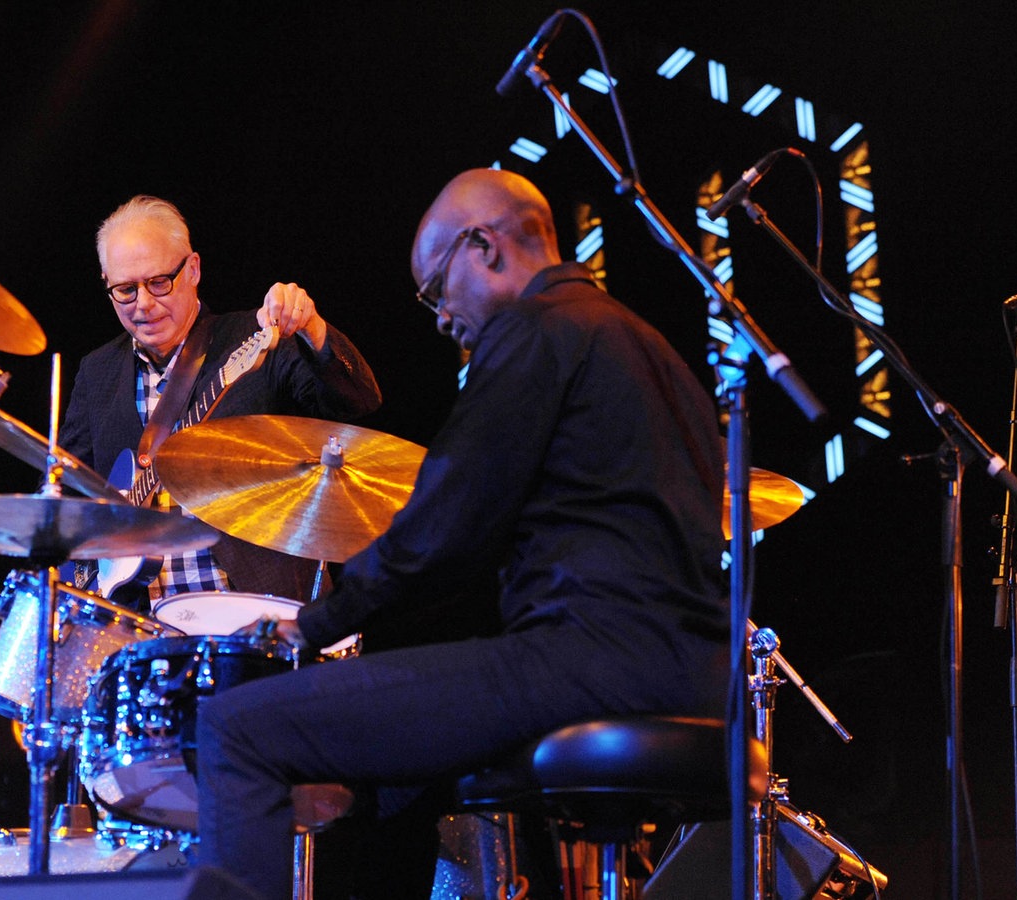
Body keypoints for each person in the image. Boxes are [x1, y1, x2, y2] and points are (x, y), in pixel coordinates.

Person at [193, 168, 730, 899]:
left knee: (236, 727)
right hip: (697, 678)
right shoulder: (650, 348)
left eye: (436, 289)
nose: (440, 316)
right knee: (397, 769)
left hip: (588, 664)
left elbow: (441, 529)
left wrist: (307, 630)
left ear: (484, 247)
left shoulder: (536, 333)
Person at [60, 194, 381, 608]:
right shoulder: (97, 371)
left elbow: (358, 400)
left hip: (256, 612)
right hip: (137, 626)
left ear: (193, 269)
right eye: (125, 289)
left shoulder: (258, 337)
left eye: (159, 282)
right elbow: (67, 492)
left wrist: (313, 330)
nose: (143, 303)